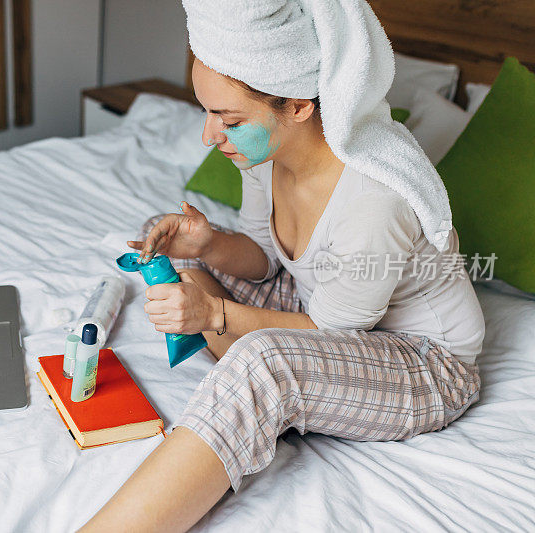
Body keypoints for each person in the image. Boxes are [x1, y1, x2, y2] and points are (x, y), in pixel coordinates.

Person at [79, 1, 484, 531]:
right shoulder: (263, 155)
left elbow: (334, 331)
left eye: (229, 119)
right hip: (321, 306)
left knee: (265, 359)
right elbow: (265, 261)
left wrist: (216, 317)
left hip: (426, 361)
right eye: (205, 111)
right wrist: (206, 246)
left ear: (297, 105)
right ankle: (259, 388)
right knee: (188, 262)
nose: (209, 136)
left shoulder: (373, 199)